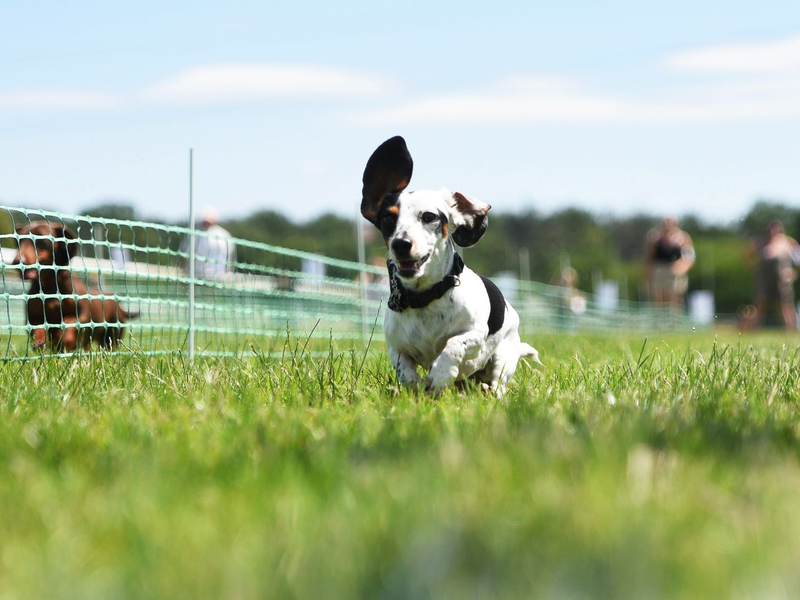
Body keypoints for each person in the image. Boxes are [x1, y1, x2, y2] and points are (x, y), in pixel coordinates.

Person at [750, 220, 799, 330]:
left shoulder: (788, 242)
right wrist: (754, 269)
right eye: (771, 228)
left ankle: (792, 331)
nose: (773, 230)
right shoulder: (761, 242)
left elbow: (798, 260)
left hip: (782, 279)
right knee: (760, 304)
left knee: (785, 305)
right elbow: (747, 255)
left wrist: (793, 273)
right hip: (764, 279)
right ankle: (753, 330)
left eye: (775, 228)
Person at [644, 217, 695, 309]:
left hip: (675, 272)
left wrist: (681, 267)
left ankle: (674, 316)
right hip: (659, 271)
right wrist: (647, 274)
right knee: (658, 297)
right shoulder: (655, 237)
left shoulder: (683, 237)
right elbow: (649, 258)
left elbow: (689, 257)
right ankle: (659, 316)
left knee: (674, 298)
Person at [183, 208, 235, 280]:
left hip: (219, 276)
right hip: (197, 276)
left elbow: (229, 258)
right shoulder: (194, 235)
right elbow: (185, 255)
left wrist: (228, 273)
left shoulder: (224, 235)